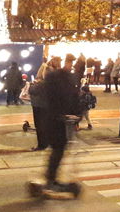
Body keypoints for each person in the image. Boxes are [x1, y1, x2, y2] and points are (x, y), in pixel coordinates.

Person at [42, 58, 81, 189]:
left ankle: (50, 177)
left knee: (58, 149)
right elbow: (71, 98)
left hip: (54, 119)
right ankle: (50, 179)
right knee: (58, 149)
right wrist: (75, 114)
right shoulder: (62, 81)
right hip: (57, 121)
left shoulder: (52, 79)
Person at [28, 75, 48, 151]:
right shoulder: (51, 83)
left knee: (40, 126)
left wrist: (32, 85)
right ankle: (46, 143)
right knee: (46, 126)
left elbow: (31, 91)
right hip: (46, 106)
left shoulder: (40, 85)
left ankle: (42, 145)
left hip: (38, 107)